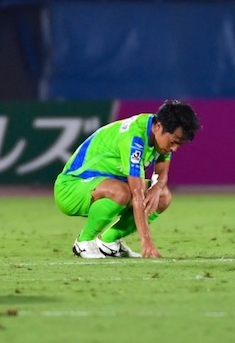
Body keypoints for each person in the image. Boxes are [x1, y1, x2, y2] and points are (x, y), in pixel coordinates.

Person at [54, 99, 200, 259]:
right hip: (70, 188)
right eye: (174, 142)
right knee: (123, 192)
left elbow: (161, 173)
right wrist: (146, 241)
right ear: (159, 127)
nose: (174, 149)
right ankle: (84, 242)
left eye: (180, 144)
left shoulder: (160, 129)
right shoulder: (134, 139)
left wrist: (156, 189)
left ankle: (108, 242)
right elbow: (136, 193)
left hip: (102, 186)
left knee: (163, 197)